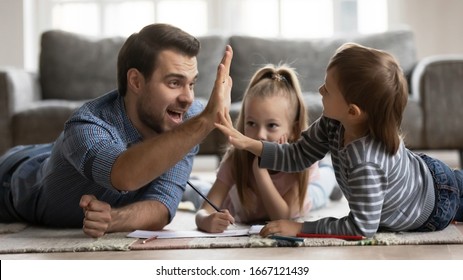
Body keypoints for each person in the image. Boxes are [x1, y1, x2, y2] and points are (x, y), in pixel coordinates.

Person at [0, 23, 233, 238]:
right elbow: (124, 175)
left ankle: (192, 184)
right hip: (13, 179)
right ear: (136, 81)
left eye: (191, 84)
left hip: (62, 157)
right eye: (174, 83)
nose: (188, 98)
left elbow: (162, 205)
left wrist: (113, 219)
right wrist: (204, 123)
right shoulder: (85, 126)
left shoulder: (188, 119)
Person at [215, 43, 463, 238]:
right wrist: (248, 143)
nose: (320, 90)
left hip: (435, 207)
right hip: (428, 172)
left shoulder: (365, 162)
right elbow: (297, 154)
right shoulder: (333, 123)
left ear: (353, 111)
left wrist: (300, 228)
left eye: (328, 89)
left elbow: (360, 228)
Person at [195, 64, 338, 233]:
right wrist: (205, 220)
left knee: (322, 188)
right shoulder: (236, 159)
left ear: (293, 129)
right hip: (237, 205)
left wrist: (260, 172)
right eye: (251, 123)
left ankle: (329, 170)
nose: (260, 135)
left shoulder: (300, 163)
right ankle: (191, 186)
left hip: (303, 198)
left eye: (272, 125)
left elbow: (282, 218)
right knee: (199, 193)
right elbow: (204, 211)